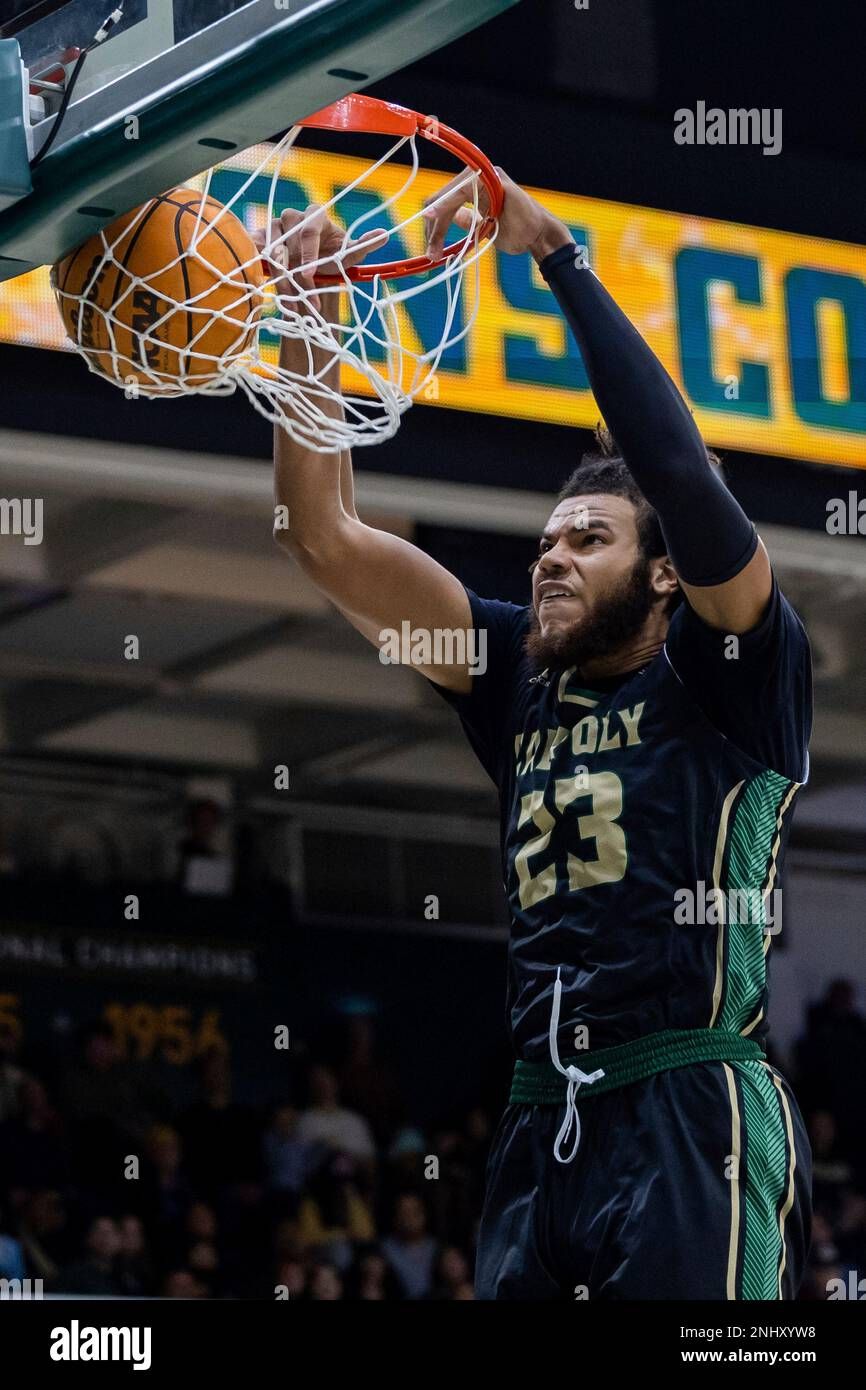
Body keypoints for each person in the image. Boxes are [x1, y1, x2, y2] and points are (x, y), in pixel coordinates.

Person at [261, 168, 813, 1300]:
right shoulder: (512, 671)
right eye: (547, 537)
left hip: (685, 1104)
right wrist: (312, 320)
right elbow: (321, 536)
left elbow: (676, 470)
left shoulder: (732, 675)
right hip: (534, 1116)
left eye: (588, 539)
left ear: (663, 572)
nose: (550, 553)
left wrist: (559, 262)